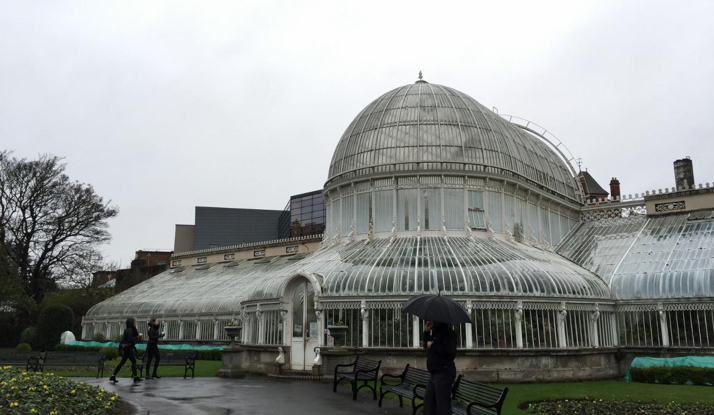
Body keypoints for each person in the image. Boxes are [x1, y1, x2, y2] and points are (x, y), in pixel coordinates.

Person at [422, 319, 457, 415]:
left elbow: (450, 353)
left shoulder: (449, 333)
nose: (429, 320)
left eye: (431, 319)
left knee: (442, 406)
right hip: (434, 373)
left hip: (444, 373)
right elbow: (426, 345)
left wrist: (433, 345)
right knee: (428, 403)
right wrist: (426, 331)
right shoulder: (436, 333)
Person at [109, 317, 143, 384]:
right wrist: (137, 337)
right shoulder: (129, 330)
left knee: (122, 362)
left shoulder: (131, 329)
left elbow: (132, 340)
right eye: (135, 322)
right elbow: (130, 339)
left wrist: (137, 340)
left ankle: (113, 376)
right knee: (133, 361)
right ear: (132, 323)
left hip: (127, 348)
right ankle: (135, 377)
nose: (136, 323)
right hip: (128, 348)